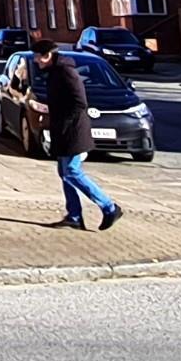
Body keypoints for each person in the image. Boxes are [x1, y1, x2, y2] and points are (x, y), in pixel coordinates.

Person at [34, 37, 121, 232]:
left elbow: (80, 102)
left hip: (73, 131)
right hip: (63, 130)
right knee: (64, 173)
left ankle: (109, 207)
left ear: (47, 56)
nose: (35, 60)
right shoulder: (54, 72)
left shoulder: (66, 72)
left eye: (37, 57)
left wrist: (65, 122)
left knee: (72, 172)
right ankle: (74, 216)